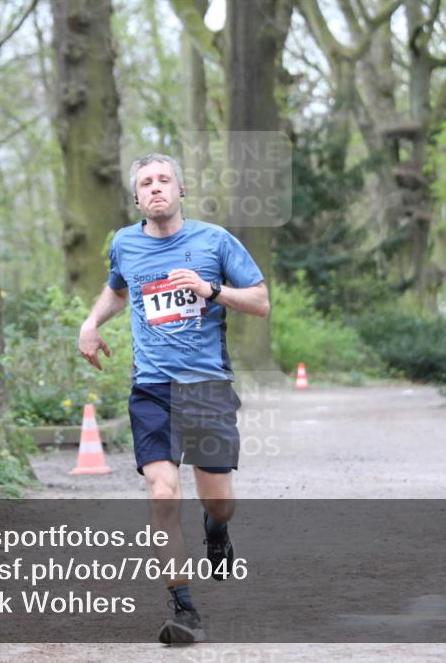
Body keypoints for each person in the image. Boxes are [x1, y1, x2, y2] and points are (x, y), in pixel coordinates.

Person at [78, 153, 270, 644]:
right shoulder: (125, 243)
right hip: (153, 389)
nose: (156, 188)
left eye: (165, 180)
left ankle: (217, 530)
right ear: (137, 196)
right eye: (146, 182)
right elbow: (119, 291)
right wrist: (91, 323)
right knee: (162, 493)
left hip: (207, 387)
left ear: (181, 191)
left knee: (219, 501)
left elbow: (261, 302)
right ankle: (183, 608)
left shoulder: (214, 240)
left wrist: (211, 289)